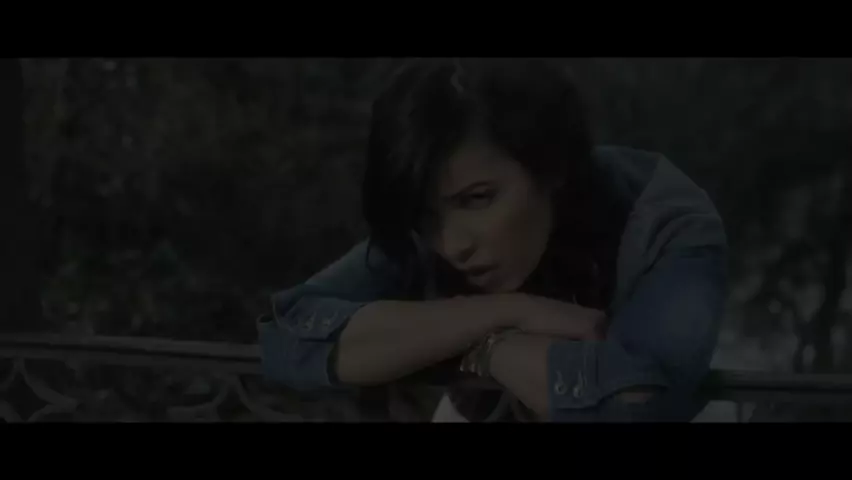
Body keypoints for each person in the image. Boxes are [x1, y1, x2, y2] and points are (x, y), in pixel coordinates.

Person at [258, 58, 728, 422]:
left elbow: (632, 406)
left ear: (551, 165)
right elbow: (288, 335)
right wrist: (502, 318)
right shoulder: (431, 232)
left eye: (478, 199)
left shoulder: (664, 219)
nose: (452, 246)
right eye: (426, 217)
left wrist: (466, 344)